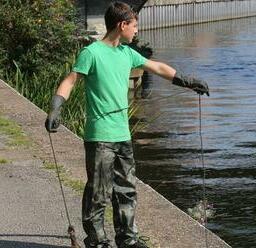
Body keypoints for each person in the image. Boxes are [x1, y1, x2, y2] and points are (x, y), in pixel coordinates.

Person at [45, 2, 209, 248]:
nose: (136, 31)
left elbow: (158, 67)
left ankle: (127, 239)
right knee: (98, 193)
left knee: (126, 190)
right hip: (100, 136)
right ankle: (97, 241)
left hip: (123, 135)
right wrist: (56, 107)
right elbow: (70, 81)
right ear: (122, 25)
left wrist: (186, 80)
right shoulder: (92, 53)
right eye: (134, 26)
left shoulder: (127, 53)